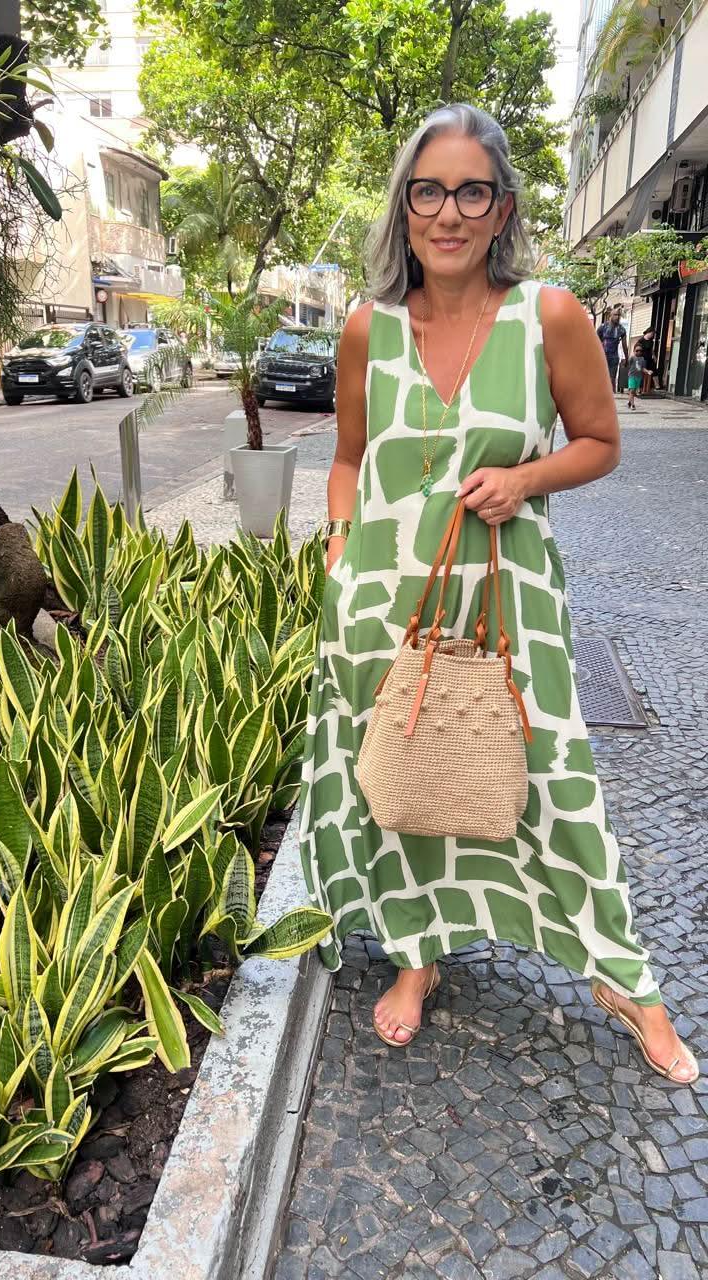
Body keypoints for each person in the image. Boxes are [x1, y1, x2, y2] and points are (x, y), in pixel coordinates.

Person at [298, 102, 698, 1084]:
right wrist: (341, 546)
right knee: (402, 776)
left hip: (507, 599)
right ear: (404, 206)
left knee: (555, 779)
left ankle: (626, 979)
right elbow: (348, 459)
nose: (448, 213)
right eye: (428, 191)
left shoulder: (546, 315)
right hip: (381, 604)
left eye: (471, 192)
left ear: (503, 207)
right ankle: (417, 956)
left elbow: (599, 443)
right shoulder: (367, 328)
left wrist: (524, 479)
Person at [597, 305, 628, 391]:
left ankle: (610, 394)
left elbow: (624, 345)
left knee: (612, 378)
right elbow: (595, 339)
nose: (617, 317)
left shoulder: (621, 329)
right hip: (603, 356)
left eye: (618, 315)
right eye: (615, 315)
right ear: (610, 315)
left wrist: (626, 358)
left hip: (614, 356)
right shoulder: (603, 327)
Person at [627, 340, 646, 410]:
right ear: (634, 351)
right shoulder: (632, 358)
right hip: (632, 376)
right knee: (632, 390)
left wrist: (647, 371)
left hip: (638, 377)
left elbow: (643, 368)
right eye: (637, 350)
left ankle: (629, 402)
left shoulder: (642, 359)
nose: (639, 352)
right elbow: (628, 364)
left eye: (640, 351)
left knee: (633, 392)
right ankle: (633, 405)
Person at [640, 326, 660, 393]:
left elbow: (651, 349)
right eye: (652, 334)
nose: (652, 335)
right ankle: (641, 387)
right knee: (644, 371)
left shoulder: (651, 341)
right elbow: (637, 350)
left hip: (649, 358)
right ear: (648, 332)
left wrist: (654, 356)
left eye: (653, 334)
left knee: (654, 370)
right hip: (643, 358)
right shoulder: (641, 340)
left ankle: (657, 385)